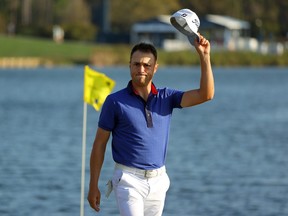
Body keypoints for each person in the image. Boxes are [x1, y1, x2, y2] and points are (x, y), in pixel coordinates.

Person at [87, 33, 214, 216]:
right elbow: (99, 144)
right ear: (129, 65)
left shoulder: (167, 97)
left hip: (158, 180)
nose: (141, 69)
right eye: (137, 64)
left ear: (155, 68)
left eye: (147, 65)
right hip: (128, 180)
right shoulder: (114, 102)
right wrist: (93, 186)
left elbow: (206, 94)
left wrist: (205, 56)